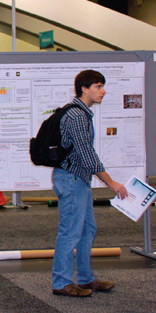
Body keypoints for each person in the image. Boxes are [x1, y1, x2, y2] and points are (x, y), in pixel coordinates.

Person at [50, 69, 127, 297]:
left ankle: (84, 279)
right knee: (70, 232)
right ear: (84, 89)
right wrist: (111, 183)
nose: (103, 91)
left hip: (78, 180)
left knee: (86, 230)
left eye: (102, 86)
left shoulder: (81, 113)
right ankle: (61, 282)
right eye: (98, 86)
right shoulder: (76, 116)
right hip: (71, 179)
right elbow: (87, 154)